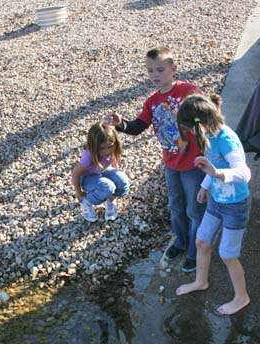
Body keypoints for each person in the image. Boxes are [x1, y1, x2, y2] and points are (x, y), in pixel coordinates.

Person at [104, 46, 205, 273]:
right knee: (176, 206)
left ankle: (195, 250)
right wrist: (121, 123)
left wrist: (197, 125)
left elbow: (207, 115)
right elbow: (137, 127)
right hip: (171, 164)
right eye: (150, 71)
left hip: (193, 164)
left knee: (194, 209)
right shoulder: (151, 101)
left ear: (173, 69)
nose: (155, 75)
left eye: (160, 69)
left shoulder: (188, 90)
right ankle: (180, 242)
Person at [175, 94, 251, 315]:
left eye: (188, 130)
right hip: (216, 199)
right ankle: (201, 281)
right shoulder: (208, 134)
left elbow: (244, 172)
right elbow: (212, 165)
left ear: (198, 125)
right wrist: (206, 185)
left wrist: (216, 174)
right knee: (201, 241)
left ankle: (241, 297)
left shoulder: (226, 139)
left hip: (235, 204)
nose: (189, 135)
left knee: (228, 254)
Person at [71, 123, 130, 222]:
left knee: (123, 181)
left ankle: (110, 201)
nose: (107, 151)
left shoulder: (112, 149)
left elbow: (113, 158)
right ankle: (86, 203)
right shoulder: (88, 156)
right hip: (87, 177)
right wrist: (79, 193)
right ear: (94, 146)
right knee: (107, 187)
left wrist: (116, 170)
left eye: (110, 146)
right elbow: (75, 174)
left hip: (102, 170)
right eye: (102, 148)